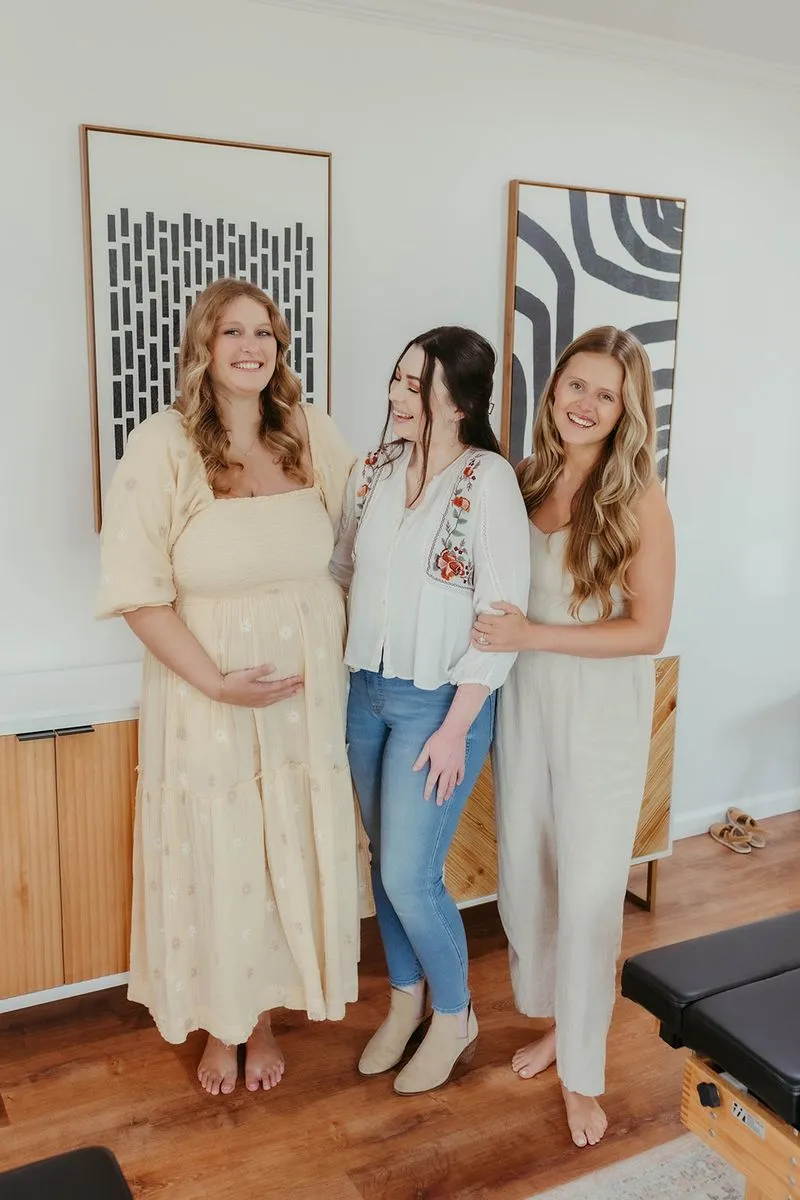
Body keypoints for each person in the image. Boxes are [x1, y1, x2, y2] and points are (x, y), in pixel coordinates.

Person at [96, 277, 365, 1097]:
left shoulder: (310, 432)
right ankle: (223, 1021)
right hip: (204, 699)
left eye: (266, 333)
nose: (252, 347)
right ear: (204, 348)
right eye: (233, 333)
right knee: (224, 849)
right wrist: (218, 681)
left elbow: (365, 531)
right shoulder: (163, 445)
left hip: (305, 704)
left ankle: (269, 1015)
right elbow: (136, 590)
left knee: (286, 841)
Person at [473, 326, 675, 1147]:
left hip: (598, 714)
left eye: (604, 392)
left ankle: (582, 1075)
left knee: (591, 895)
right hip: (524, 706)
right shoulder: (525, 480)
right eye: (573, 386)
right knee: (531, 877)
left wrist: (533, 637)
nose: (584, 404)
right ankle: (561, 1021)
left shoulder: (638, 500)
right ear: (551, 390)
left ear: (627, 409)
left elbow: (648, 631)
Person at [331, 326, 531, 1096]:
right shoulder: (374, 468)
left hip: (440, 704)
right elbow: (343, 566)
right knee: (386, 870)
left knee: (414, 877)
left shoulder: (489, 482)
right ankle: (404, 1001)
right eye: (397, 379)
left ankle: (455, 1015)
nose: (396, 396)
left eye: (417, 384)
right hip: (365, 693)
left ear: (464, 398)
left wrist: (456, 725)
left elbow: (501, 609)